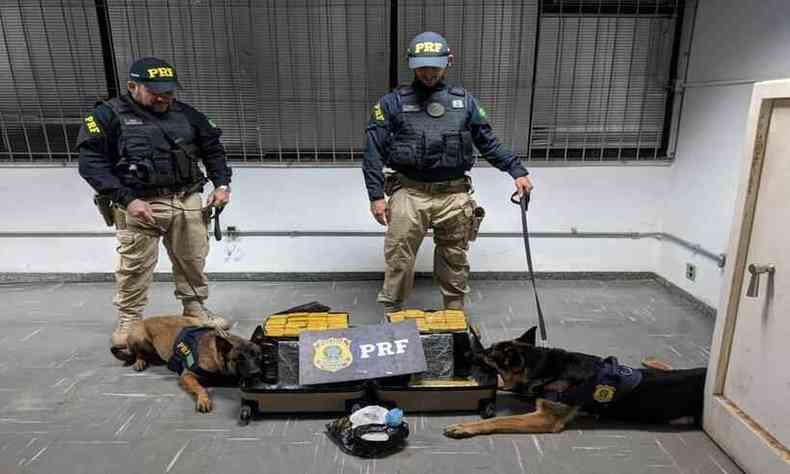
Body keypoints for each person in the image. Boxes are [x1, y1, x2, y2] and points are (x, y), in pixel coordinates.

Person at [363, 32, 534, 313]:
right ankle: (393, 319)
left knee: (454, 258)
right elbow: (373, 152)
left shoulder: (464, 102)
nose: (428, 73)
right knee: (399, 258)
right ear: (411, 64)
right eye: (421, 66)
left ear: (448, 61)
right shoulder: (391, 104)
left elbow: (488, 142)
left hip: (454, 194)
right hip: (409, 192)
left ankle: (454, 319)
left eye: (435, 66)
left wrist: (516, 171)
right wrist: (375, 196)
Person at [77, 57, 233, 349]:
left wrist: (222, 184)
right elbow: (91, 164)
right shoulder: (106, 116)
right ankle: (130, 321)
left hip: (187, 198)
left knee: (193, 260)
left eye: (169, 92)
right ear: (133, 86)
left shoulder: (187, 114)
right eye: (155, 92)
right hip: (138, 203)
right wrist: (126, 199)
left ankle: (196, 310)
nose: (163, 97)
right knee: (135, 267)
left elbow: (213, 149)